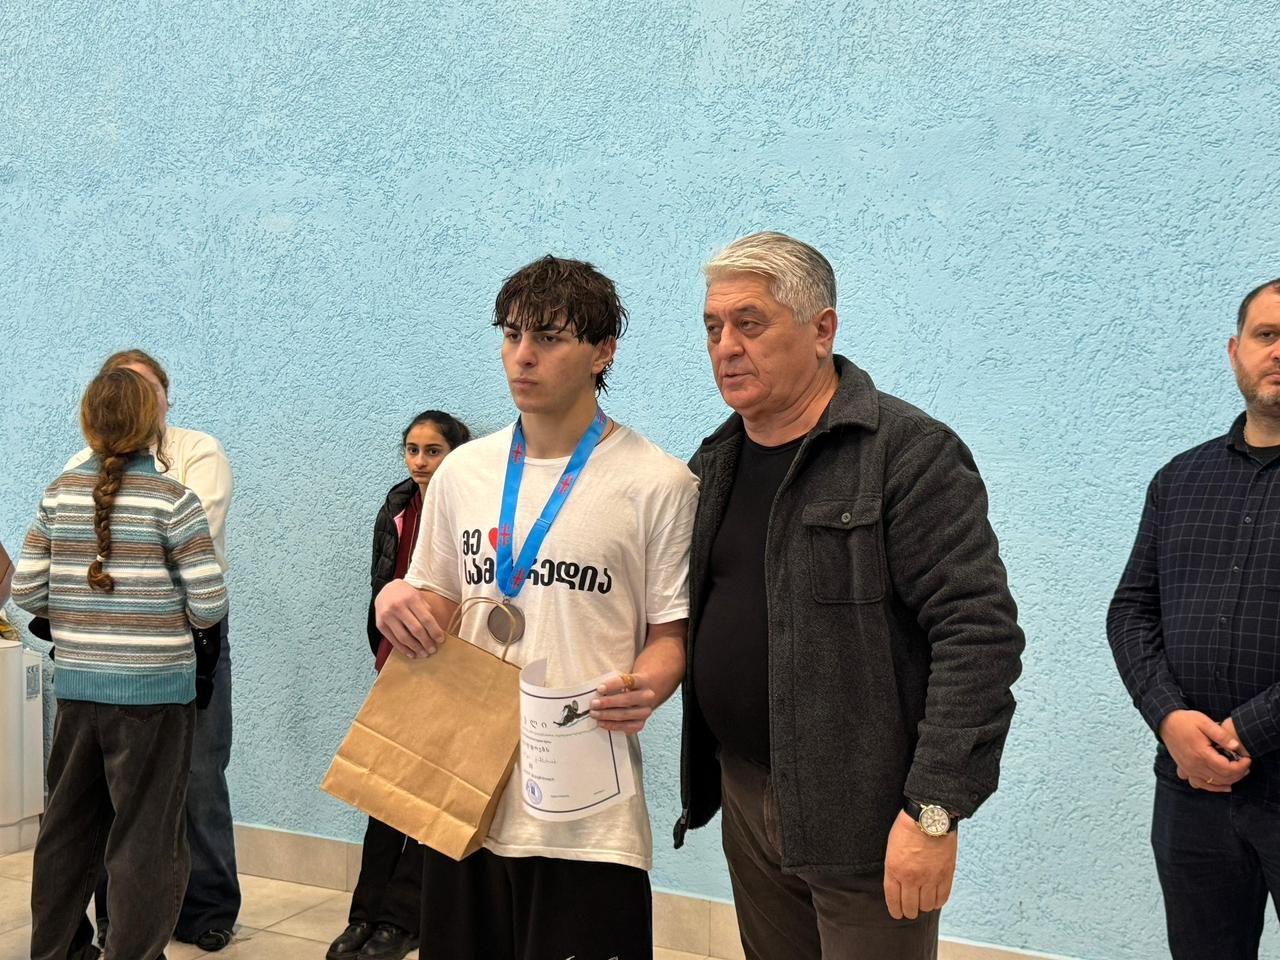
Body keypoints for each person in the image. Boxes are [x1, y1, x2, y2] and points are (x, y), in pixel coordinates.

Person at [675, 231, 1025, 959]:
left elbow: (977, 636)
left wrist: (934, 812)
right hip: (746, 793)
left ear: (822, 329)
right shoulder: (714, 463)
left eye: (749, 323)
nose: (726, 347)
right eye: (713, 328)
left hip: (867, 822)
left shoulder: (907, 452)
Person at [375, 255, 698, 960]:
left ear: (602, 352)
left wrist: (649, 684)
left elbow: (670, 633)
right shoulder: (464, 471)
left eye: (549, 338)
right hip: (464, 786)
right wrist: (397, 600)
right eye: (512, 335)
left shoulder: (659, 483)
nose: (523, 356)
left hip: (586, 807)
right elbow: (439, 599)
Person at [13, 366, 228, 960]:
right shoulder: (174, 500)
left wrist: (82, 614)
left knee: (66, 829)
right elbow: (209, 604)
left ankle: (56, 952)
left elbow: (26, 592)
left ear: (88, 422)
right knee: (146, 837)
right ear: (153, 421)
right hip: (155, 698)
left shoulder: (58, 494)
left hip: (77, 688)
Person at [1108, 278, 1280, 960]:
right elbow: (1131, 612)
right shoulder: (1179, 480)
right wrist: (1170, 719)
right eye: (1267, 335)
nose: (1279, 351)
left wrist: (1246, 731)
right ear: (1236, 351)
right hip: (1189, 790)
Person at [64, 349, 239, 952]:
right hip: (104, 643)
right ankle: (118, 919)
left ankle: (208, 907)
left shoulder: (199, 450)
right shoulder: (78, 466)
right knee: (109, 791)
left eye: (146, 388)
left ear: (166, 396)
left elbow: (196, 535)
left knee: (200, 773)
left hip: (187, 634)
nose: (135, 399)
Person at [327, 410, 471, 960]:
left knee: (430, 799)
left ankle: (401, 919)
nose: (420, 462)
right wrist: (386, 653)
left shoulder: (470, 506)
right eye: (412, 449)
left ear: (456, 454)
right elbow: (381, 585)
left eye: (433, 451)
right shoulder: (395, 506)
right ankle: (364, 915)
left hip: (455, 671)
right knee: (384, 794)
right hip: (399, 665)